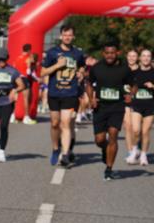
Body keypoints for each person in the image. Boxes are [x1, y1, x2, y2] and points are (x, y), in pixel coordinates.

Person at [40, 25, 86, 167]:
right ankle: (55, 148)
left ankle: (65, 154)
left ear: (73, 37)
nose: (67, 37)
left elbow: (82, 66)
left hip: (70, 93)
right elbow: (42, 72)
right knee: (55, 124)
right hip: (54, 93)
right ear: (61, 36)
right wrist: (57, 66)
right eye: (65, 35)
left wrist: (81, 73)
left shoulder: (78, 53)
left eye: (70, 35)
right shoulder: (52, 53)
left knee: (66, 123)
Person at [87, 42, 133, 181]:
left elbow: (134, 84)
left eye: (112, 53)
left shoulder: (124, 69)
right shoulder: (96, 68)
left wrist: (130, 95)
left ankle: (109, 169)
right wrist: (91, 99)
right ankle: (104, 149)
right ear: (103, 53)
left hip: (117, 107)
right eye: (107, 53)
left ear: (117, 53)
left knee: (113, 134)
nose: (110, 56)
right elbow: (89, 84)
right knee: (99, 139)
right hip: (100, 107)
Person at [127, 48, 154, 166]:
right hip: (136, 104)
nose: (146, 58)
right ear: (140, 58)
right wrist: (131, 90)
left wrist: (152, 85)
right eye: (144, 56)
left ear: (151, 58)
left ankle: (143, 155)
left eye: (148, 56)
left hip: (150, 104)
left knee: (145, 131)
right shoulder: (134, 72)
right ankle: (134, 150)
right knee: (136, 130)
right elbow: (129, 87)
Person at [122, 48, 139, 163]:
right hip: (125, 100)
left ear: (137, 58)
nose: (131, 58)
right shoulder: (122, 69)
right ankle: (130, 151)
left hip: (139, 101)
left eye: (134, 56)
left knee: (136, 129)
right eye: (130, 56)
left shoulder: (142, 70)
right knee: (127, 126)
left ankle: (136, 148)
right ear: (127, 57)